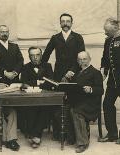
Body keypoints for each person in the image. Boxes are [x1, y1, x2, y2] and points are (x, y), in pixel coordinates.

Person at [42, 13, 85, 142]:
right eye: (63, 21)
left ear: (72, 23)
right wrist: (48, 73)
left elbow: (81, 57)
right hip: (58, 76)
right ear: (60, 23)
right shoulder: (55, 38)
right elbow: (45, 56)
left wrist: (72, 71)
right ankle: (58, 133)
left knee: (72, 103)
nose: (65, 23)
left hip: (74, 74)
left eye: (68, 21)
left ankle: (71, 135)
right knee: (58, 103)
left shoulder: (78, 37)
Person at [68, 51, 103, 153]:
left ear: (89, 59)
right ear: (77, 61)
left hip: (91, 103)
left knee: (76, 111)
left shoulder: (95, 73)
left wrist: (91, 89)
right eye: (80, 59)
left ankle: (83, 143)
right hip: (78, 101)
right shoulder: (76, 73)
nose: (82, 61)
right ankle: (72, 138)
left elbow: (101, 90)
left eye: (84, 59)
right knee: (64, 108)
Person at [20, 47, 53, 148]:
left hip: (45, 97)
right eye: (32, 55)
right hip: (30, 97)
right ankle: (36, 136)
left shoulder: (48, 66)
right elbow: (24, 82)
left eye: (37, 55)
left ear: (41, 55)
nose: (35, 58)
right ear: (29, 57)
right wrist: (39, 82)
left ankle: (35, 135)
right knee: (30, 109)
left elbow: (51, 81)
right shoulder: (25, 67)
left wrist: (33, 83)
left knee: (45, 109)